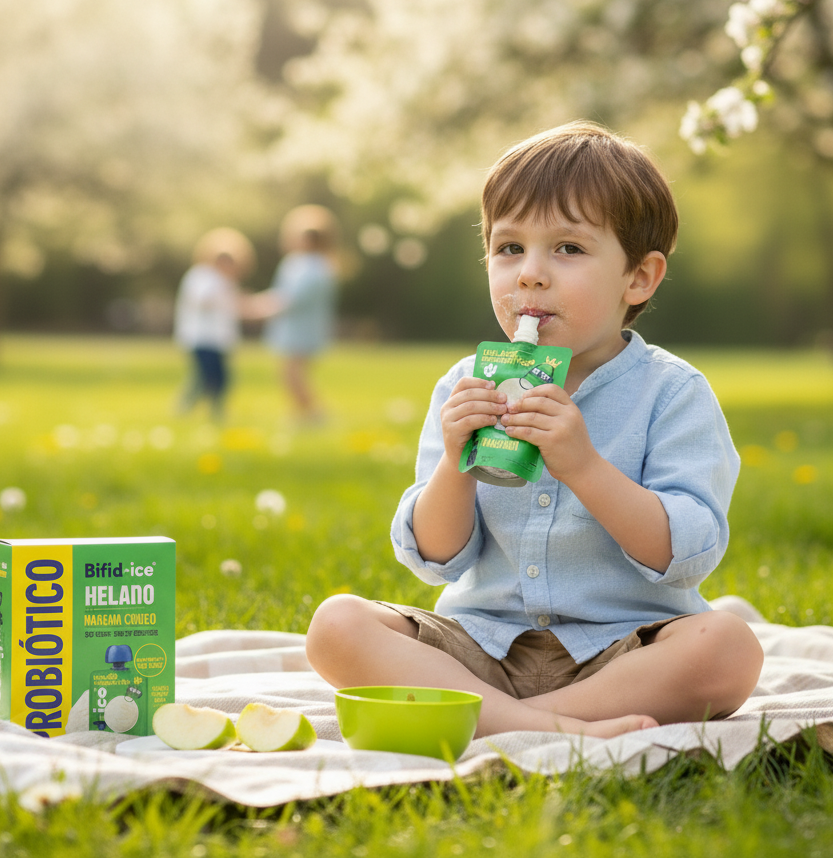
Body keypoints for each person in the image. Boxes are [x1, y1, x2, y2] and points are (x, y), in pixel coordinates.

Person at [305, 121, 764, 739]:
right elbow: (436, 559)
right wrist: (454, 465)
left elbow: (685, 553)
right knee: (336, 626)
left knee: (729, 647)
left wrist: (584, 466)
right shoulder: (466, 385)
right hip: (481, 648)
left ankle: (504, 724)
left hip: (620, 652)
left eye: (568, 249)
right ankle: (541, 725)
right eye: (509, 248)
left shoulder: (672, 393)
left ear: (639, 278)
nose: (530, 274)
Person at [246, 205, 339, 422]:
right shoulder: (295, 263)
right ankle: (301, 414)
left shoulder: (318, 267)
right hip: (290, 328)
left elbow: (291, 299)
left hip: (303, 330)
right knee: (289, 374)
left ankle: (315, 415)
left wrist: (259, 308)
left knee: (293, 374)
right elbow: (282, 294)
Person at [173, 227, 255, 420]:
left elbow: (235, 308)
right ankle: (207, 411)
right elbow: (203, 300)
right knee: (211, 377)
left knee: (209, 378)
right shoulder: (200, 276)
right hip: (201, 338)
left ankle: (194, 409)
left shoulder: (227, 282)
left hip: (219, 339)